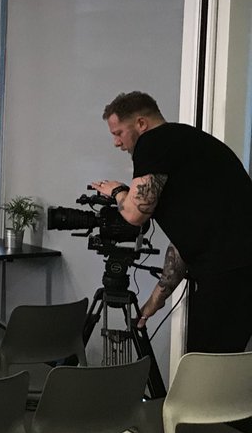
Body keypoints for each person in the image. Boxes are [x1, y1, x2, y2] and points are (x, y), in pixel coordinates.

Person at [90, 91, 252, 354]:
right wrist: (156, 300)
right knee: (221, 361)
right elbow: (188, 240)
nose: (117, 143)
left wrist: (117, 191)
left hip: (227, 274)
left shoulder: (154, 141)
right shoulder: (187, 143)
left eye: (118, 133)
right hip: (237, 272)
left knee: (205, 365)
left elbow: (134, 213)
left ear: (141, 123)